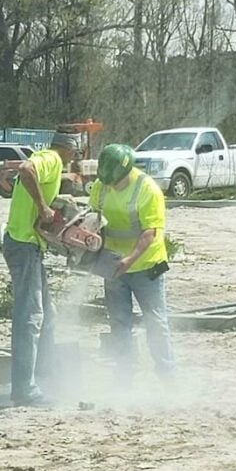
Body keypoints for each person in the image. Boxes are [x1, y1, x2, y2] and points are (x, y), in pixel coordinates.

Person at [2, 130, 78, 407]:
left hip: (27, 244)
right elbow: (25, 169)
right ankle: (24, 389)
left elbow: (20, 178)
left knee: (47, 314)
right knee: (30, 316)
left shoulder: (52, 164)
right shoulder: (51, 159)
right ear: (68, 151)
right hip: (24, 246)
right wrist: (44, 207)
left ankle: (46, 375)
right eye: (74, 156)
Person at [89, 143, 174, 379]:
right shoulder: (101, 185)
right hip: (113, 265)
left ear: (125, 172)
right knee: (118, 321)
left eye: (115, 181)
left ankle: (166, 374)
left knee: (155, 321)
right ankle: (125, 372)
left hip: (147, 266)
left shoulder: (148, 189)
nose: (111, 186)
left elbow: (150, 232)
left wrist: (130, 259)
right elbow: (94, 219)